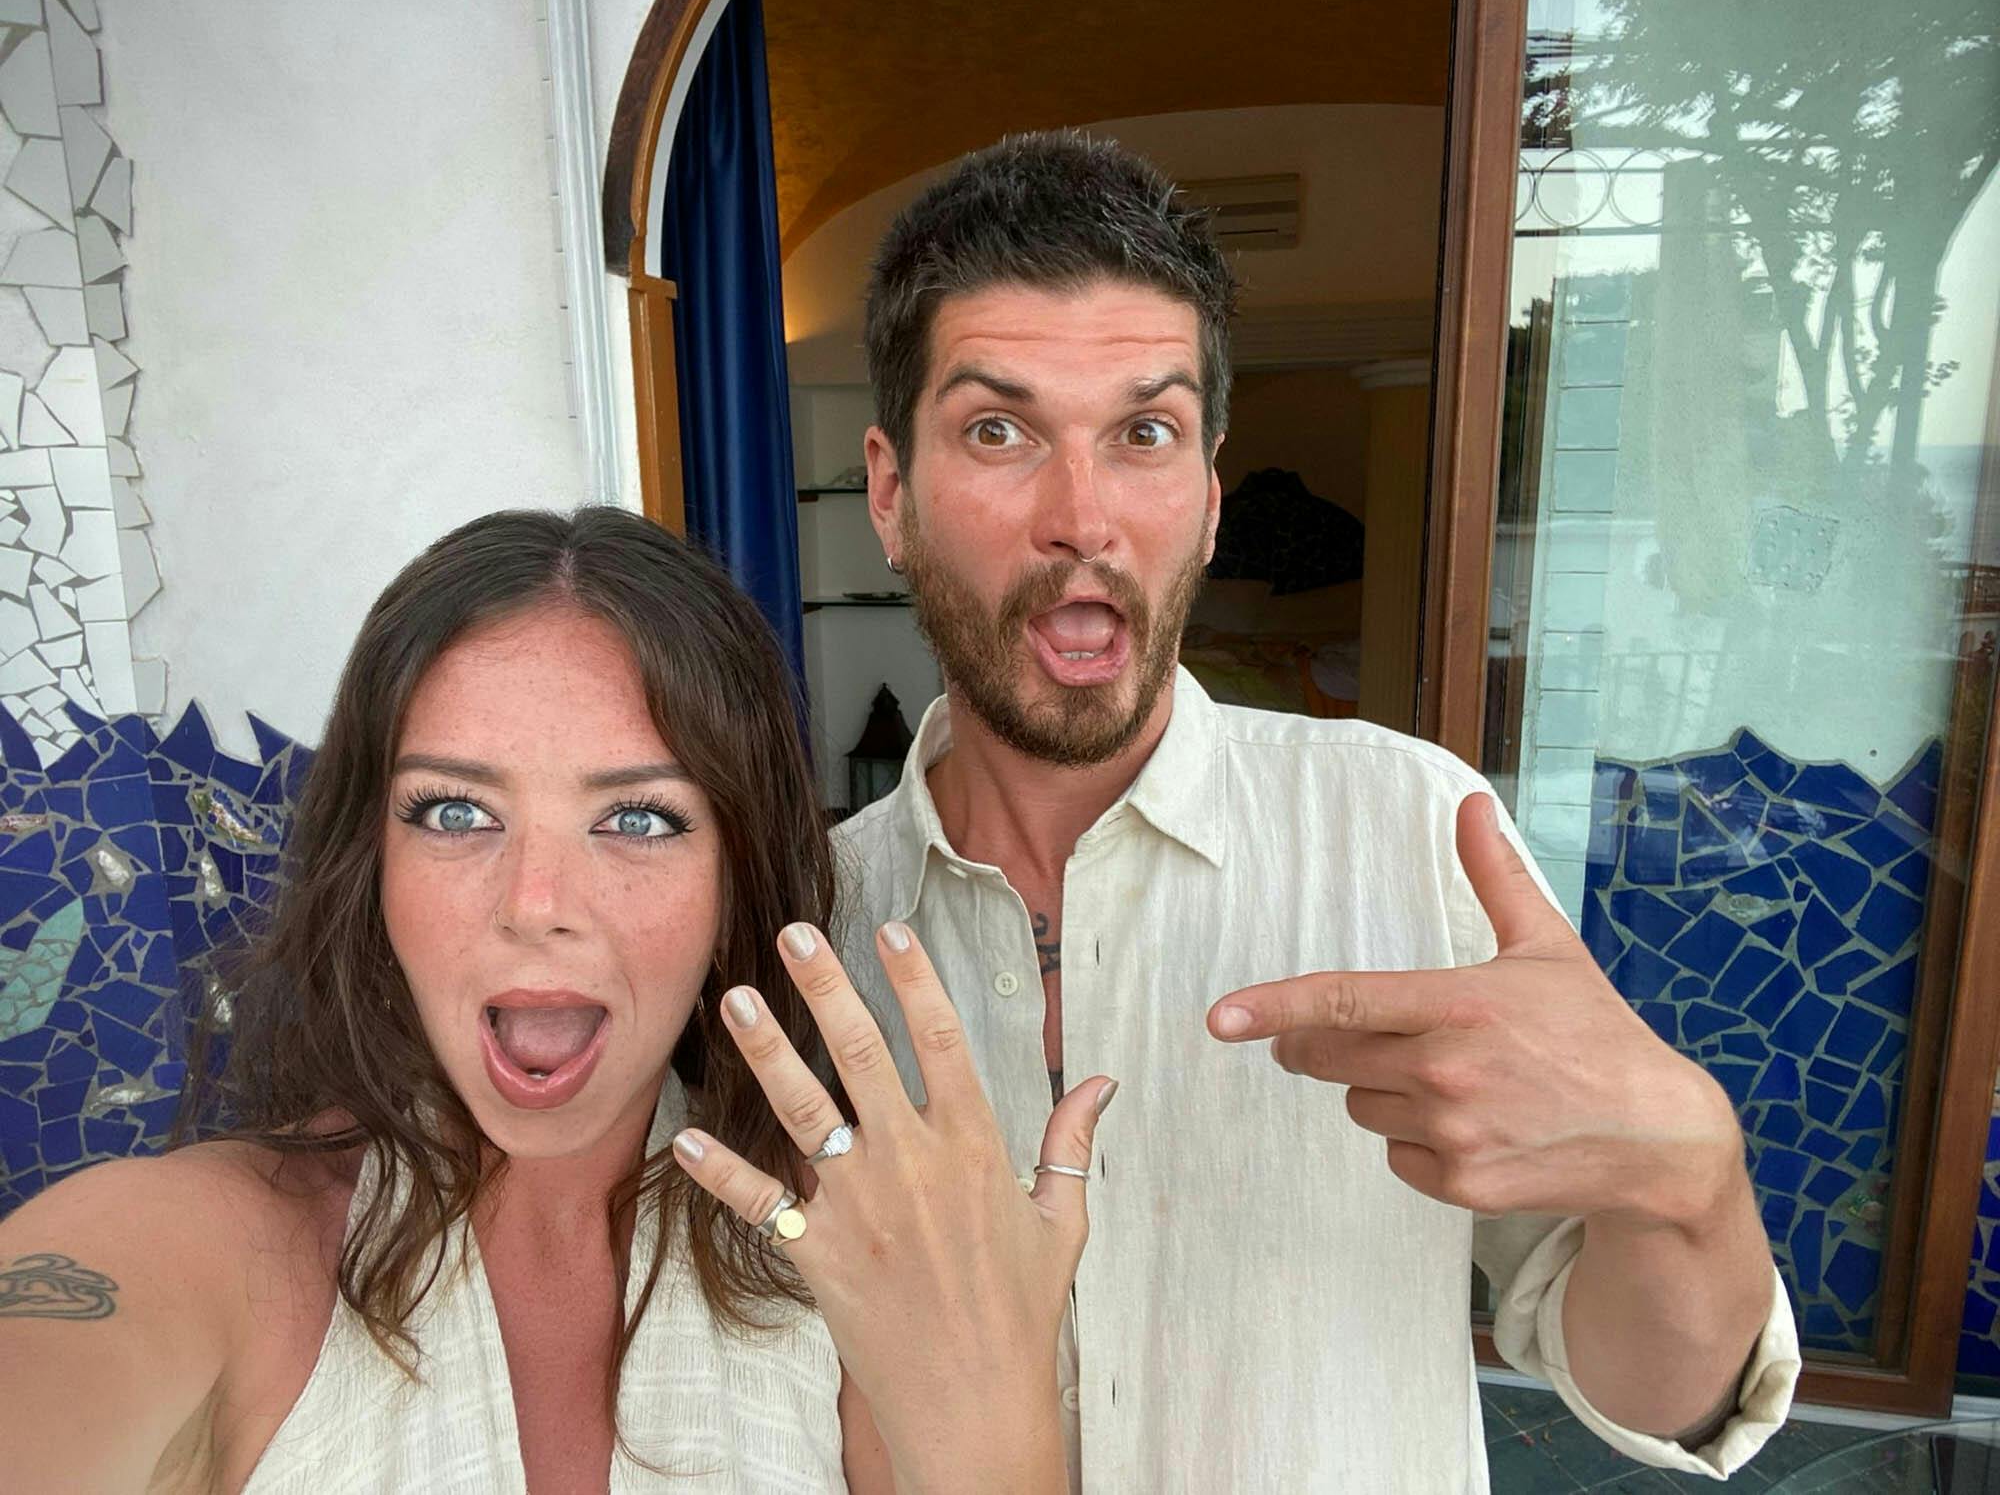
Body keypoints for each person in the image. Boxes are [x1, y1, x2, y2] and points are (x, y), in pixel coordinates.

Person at [834, 131, 1802, 1491]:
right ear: (891, 491)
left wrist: (1691, 1183)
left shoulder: (1412, 829)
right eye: (998, 430)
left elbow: (1657, 1395)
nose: (1083, 515)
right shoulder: (806, 925)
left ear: (1212, 496)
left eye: (1145, 433)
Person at [0, 507, 1111, 1492]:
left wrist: (990, 1388)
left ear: (735, 883)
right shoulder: (205, 1243)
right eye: (452, 812)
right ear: (369, 864)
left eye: (637, 820)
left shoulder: (841, 1275)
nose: (536, 903)